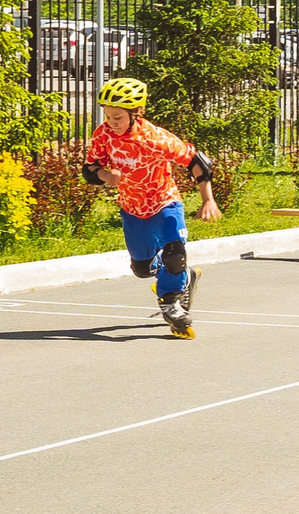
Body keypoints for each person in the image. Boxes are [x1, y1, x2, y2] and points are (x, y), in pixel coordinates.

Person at [81, 75, 223, 338]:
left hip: (164, 202)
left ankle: (172, 302)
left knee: (174, 254)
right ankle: (184, 277)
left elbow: (197, 161)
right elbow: (89, 169)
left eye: (118, 117)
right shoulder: (103, 135)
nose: (112, 123)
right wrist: (105, 176)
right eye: (108, 116)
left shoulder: (155, 138)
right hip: (132, 207)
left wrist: (208, 199)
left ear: (137, 113)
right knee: (142, 269)